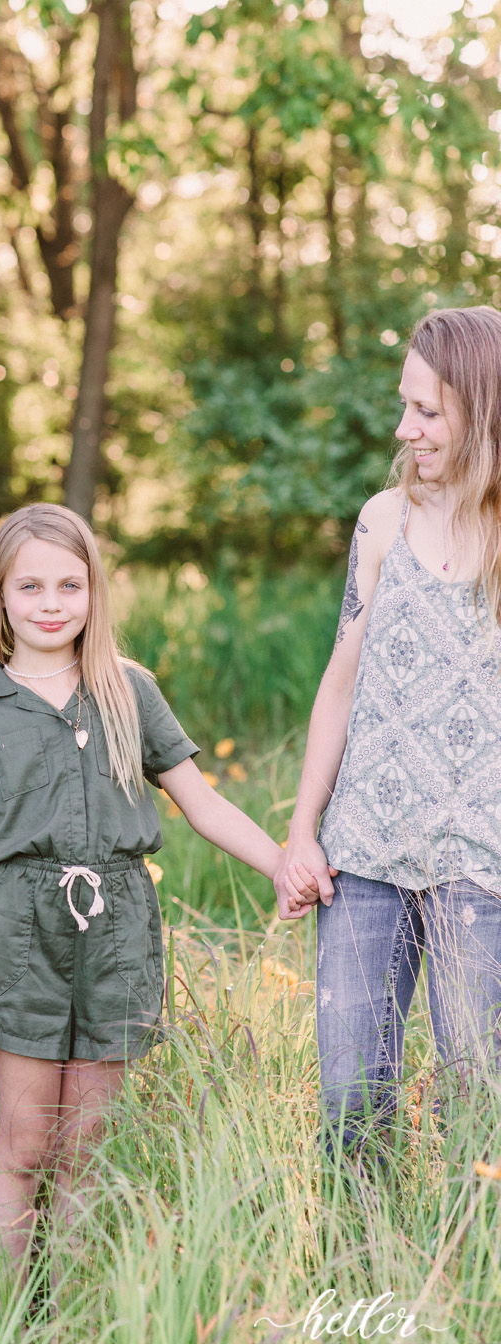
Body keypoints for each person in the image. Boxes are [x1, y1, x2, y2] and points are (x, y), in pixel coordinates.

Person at [0, 503, 316, 1282]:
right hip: (21, 932)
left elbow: (201, 804)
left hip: (119, 929)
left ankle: (70, 1325)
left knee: (86, 1145)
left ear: (94, 593)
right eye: (29, 586)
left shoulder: (127, 691)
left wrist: (280, 864)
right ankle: (10, 1330)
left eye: (71, 585)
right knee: (27, 1142)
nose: (51, 603)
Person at [277, 306, 501, 1156]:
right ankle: (363, 1277)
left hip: (480, 864)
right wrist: (304, 831)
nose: (406, 428)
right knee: (350, 1105)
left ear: (483, 411)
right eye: (405, 406)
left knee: (473, 1102)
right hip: (364, 854)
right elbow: (339, 686)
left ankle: (464, 1278)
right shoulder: (383, 521)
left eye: (428, 412)